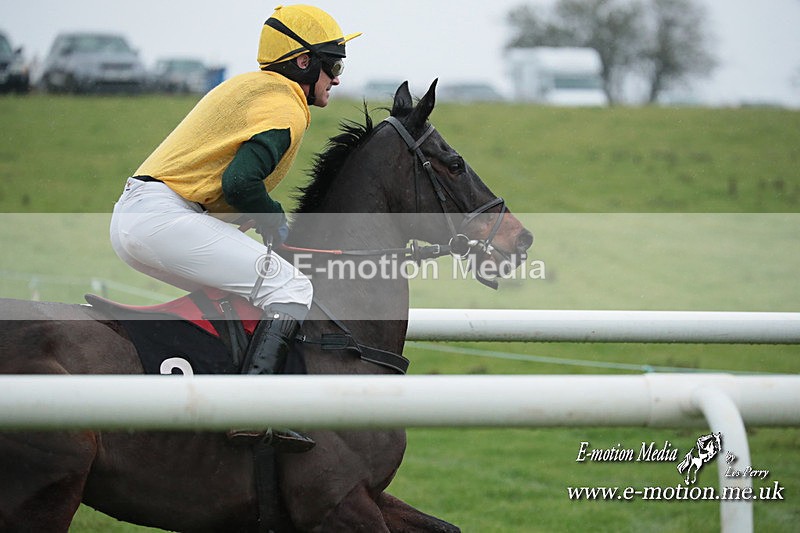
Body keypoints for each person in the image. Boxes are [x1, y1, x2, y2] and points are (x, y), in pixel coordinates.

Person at [109, 5, 360, 451]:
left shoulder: (252, 88)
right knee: (290, 288)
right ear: (304, 62)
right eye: (333, 65)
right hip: (162, 218)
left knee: (245, 295)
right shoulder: (285, 104)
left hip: (145, 216)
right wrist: (273, 221)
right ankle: (251, 408)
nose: (337, 79)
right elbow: (240, 182)